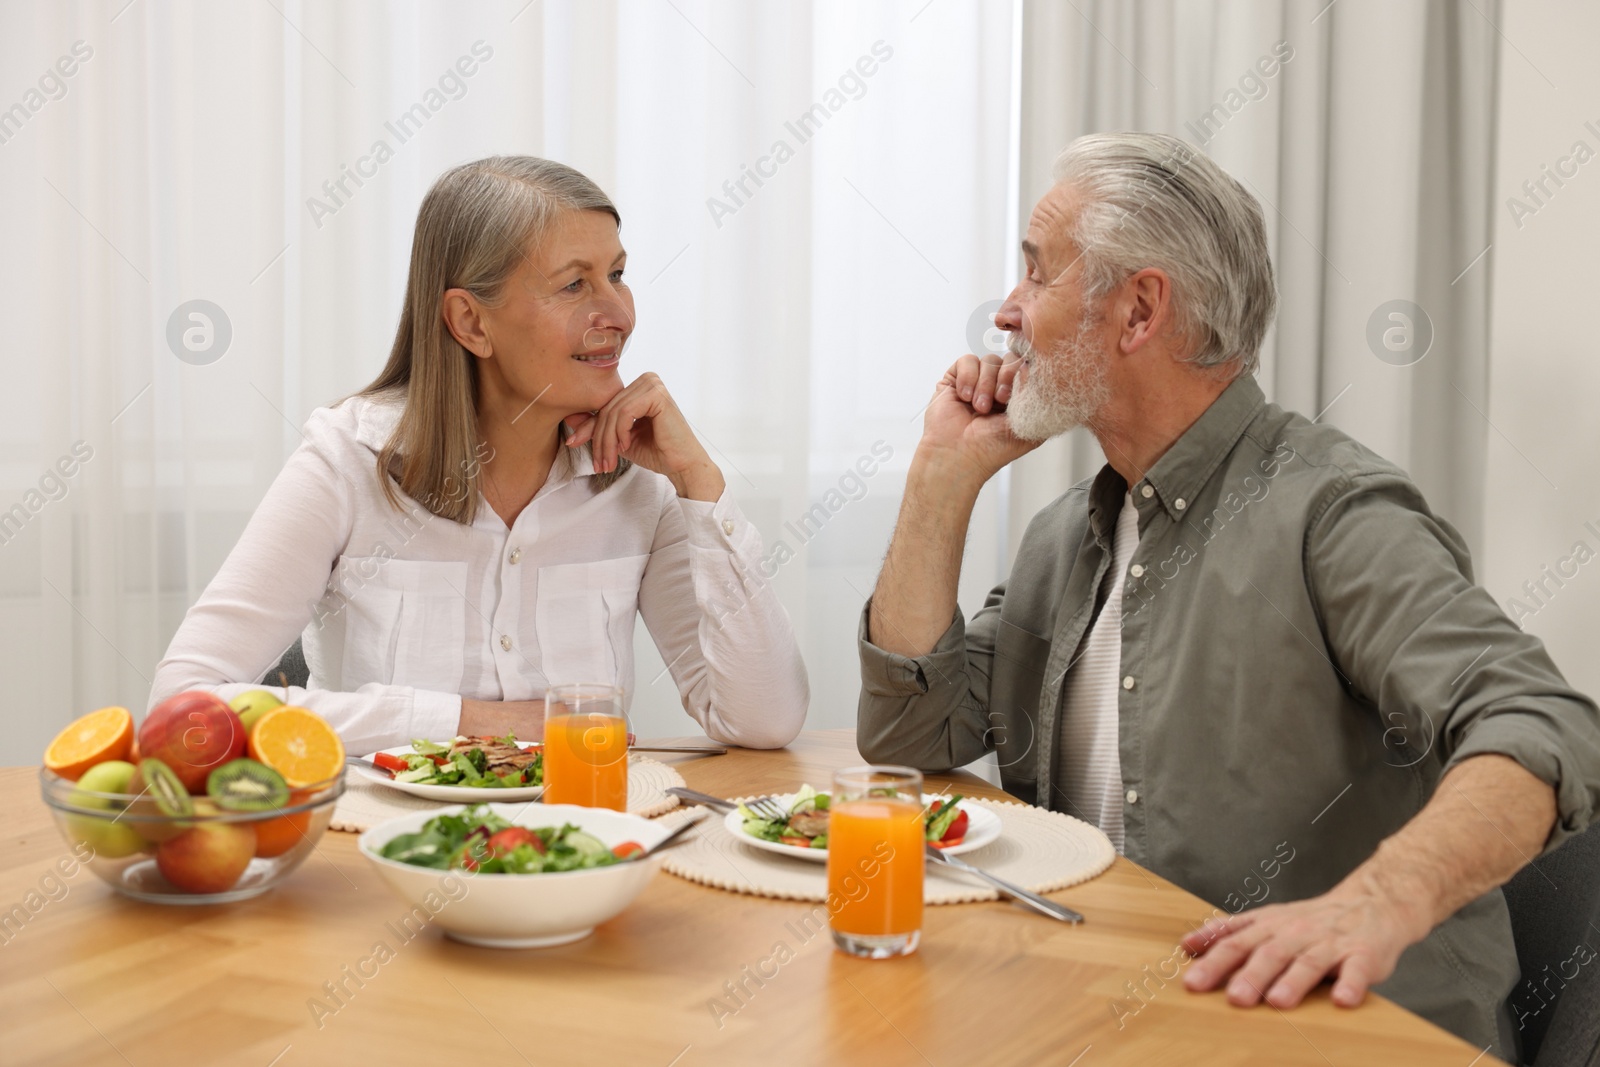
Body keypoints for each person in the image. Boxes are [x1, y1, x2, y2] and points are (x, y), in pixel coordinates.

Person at [856, 132, 1600, 1055]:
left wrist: (1376, 900)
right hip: (1130, 1016)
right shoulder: (1068, 537)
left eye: (1036, 274)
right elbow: (907, 735)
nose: (1006, 313)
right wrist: (940, 476)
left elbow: (1540, 723)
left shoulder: (1329, 513)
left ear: (1139, 311)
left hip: (1343, 1034)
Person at [151, 156, 808, 755]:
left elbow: (764, 721)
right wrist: (469, 720)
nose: (619, 313)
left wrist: (701, 483)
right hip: (382, 857)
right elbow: (185, 702)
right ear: (470, 322)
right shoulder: (348, 461)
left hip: (579, 853)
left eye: (616, 275)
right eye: (574, 285)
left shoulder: (641, 480)